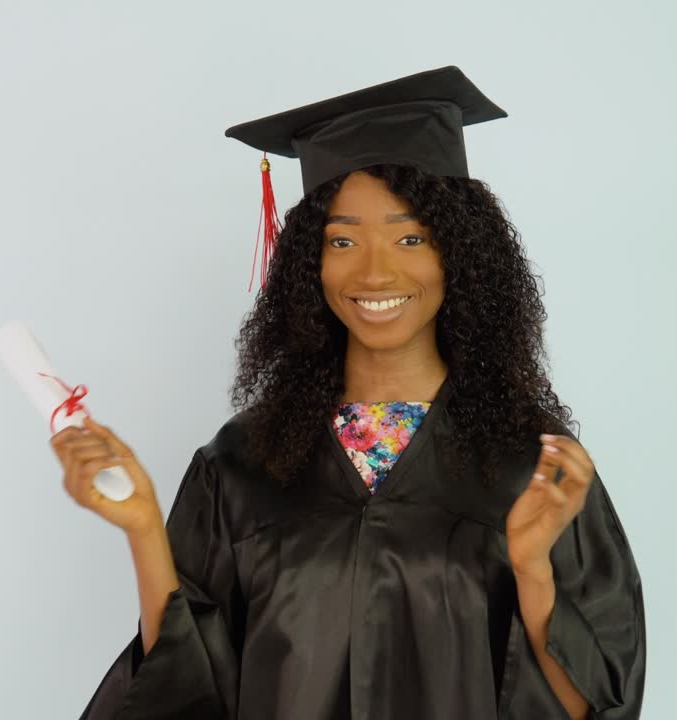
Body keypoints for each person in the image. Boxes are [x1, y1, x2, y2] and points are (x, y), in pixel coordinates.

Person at [51, 66, 646, 720]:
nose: (374, 272)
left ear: (460, 253)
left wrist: (532, 569)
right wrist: (143, 528)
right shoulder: (242, 465)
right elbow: (183, 694)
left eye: (410, 237)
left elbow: (594, 707)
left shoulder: (532, 467)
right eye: (342, 240)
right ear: (311, 262)